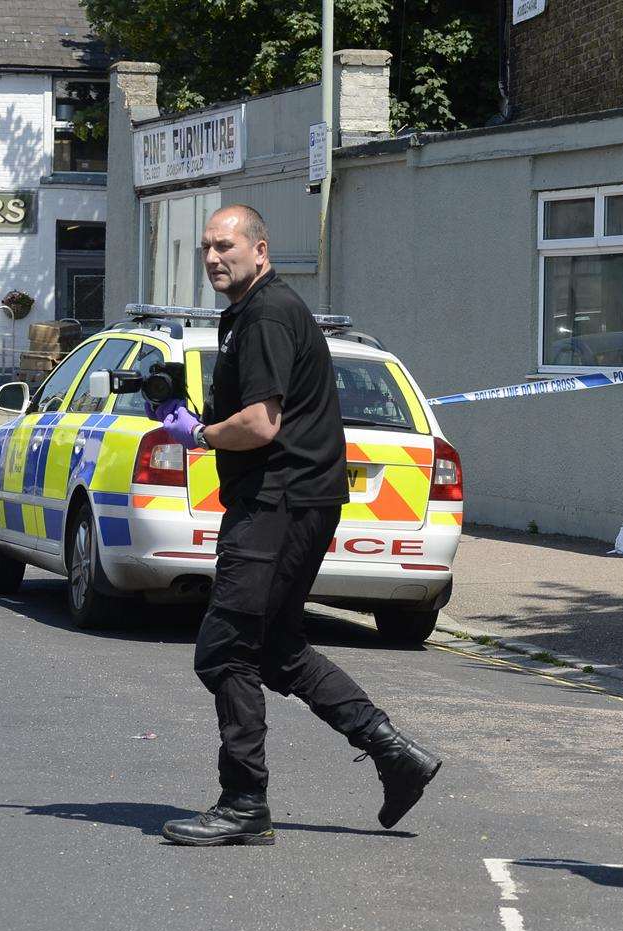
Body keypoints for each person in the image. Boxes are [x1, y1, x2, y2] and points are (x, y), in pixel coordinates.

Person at [157, 204, 441, 846]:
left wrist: (198, 433)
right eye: (205, 247)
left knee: (226, 648)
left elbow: (261, 424)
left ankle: (244, 802)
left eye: (225, 245)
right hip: (291, 500)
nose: (212, 257)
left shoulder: (265, 314)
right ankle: (395, 754)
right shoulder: (255, 314)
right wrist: (189, 411)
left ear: (260, 250)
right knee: (277, 648)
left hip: (277, 503)